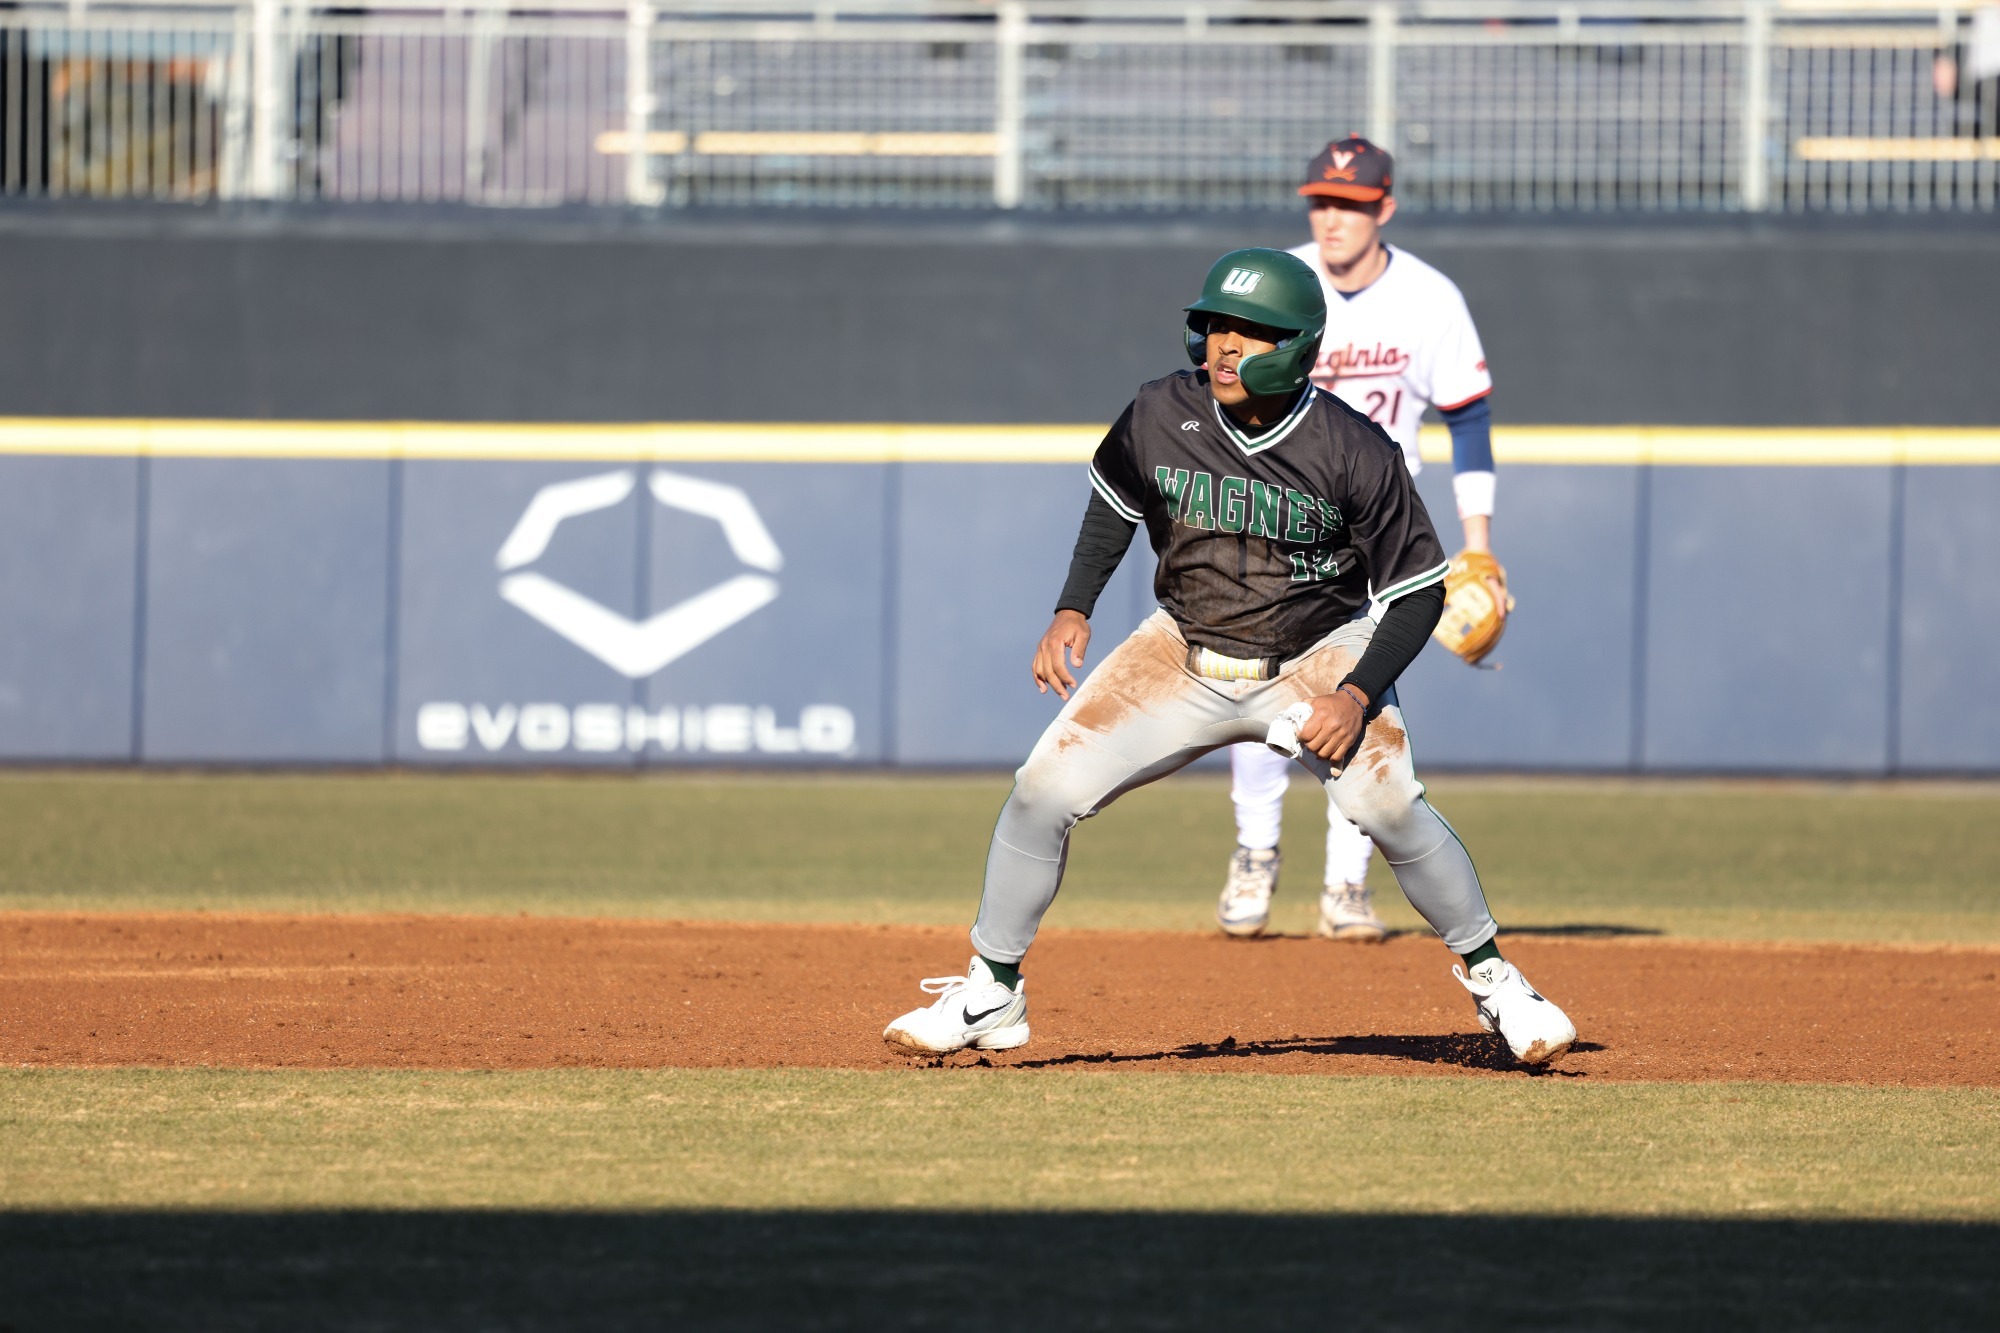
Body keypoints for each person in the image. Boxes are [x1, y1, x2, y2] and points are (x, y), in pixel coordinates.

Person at [882, 247, 1577, 1068]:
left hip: (1318, 653)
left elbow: (1420, 592)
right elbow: (1113, 502)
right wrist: (1073, 605)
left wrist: (1355, 694)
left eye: (1251, 330)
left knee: (1390, 806)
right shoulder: (1159, 411)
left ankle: (1498, 981)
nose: (1225, 344)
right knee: (1041, 790)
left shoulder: (1356, 448)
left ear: (1297, 345)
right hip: (1180, 648)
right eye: (1216, 324)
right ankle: (993, 989)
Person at [1218, 135, 1507, 945]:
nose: (1332, 216)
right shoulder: (1274, 281)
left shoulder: (1430, 298)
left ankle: (1346, 882)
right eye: (1321, 200)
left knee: (1361, 692)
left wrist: (1478, 543)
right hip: (1274, 510)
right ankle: (1254, 853)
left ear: (1385, 208)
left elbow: (1468, 417)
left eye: (1350, 203)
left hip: (1380, 520)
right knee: (1254, 684)